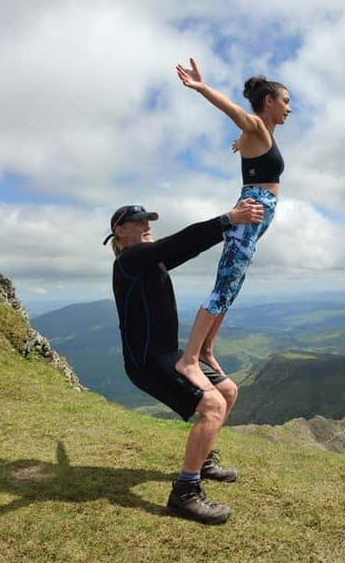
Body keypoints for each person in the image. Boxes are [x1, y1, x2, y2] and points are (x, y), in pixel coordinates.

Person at [104, 198, 264, 525]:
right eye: (138, 222)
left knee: (228, 391)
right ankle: (185, 493)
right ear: (119, 231)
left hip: (171, 356)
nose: (147, 225)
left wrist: (229, 230)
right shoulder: (130, 261)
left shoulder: (148, 261)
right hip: (148, 363)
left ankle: (202, 461)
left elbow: (186, 249)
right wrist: (227, 219)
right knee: (213, 407)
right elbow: (179, 242)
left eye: (149, 220)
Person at [174, 57, 291, 392]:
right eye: (285, 102)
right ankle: (189, 358)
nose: (288, 109)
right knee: (223, 286)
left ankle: (207, 350)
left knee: (232, 288)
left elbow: (253, 152)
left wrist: (242, 145)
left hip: (255, 224)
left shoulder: (258, 134)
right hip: (247, 218)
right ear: (268, 101)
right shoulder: (255, 124)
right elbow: (231, 111)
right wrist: (201, 88)